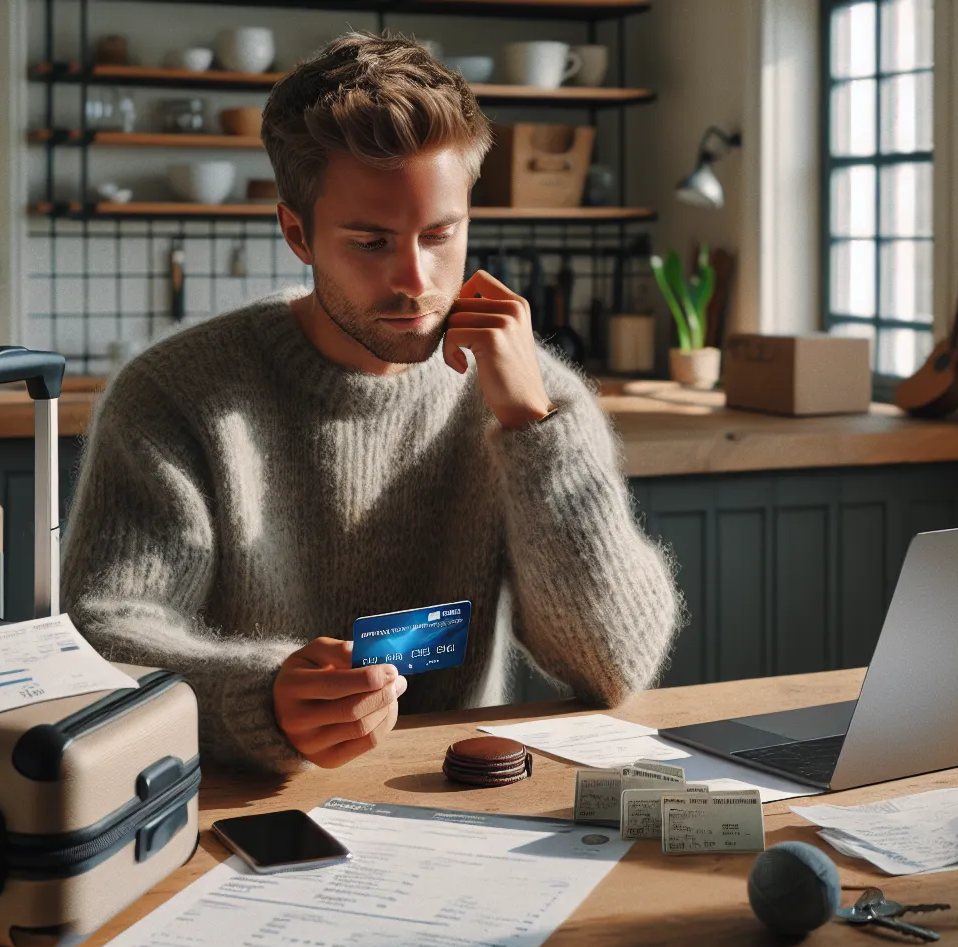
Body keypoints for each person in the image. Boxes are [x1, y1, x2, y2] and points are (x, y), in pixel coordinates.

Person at [62, 32, 681, 774]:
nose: (415, 280)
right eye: (370, 241)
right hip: (243, 809)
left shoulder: (526, 393)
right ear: (298, 232)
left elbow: (616, 663)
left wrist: (533, 425)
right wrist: (256, 700)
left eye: (441, 234)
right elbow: (104, 642)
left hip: (455, 801)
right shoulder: (173, 396)